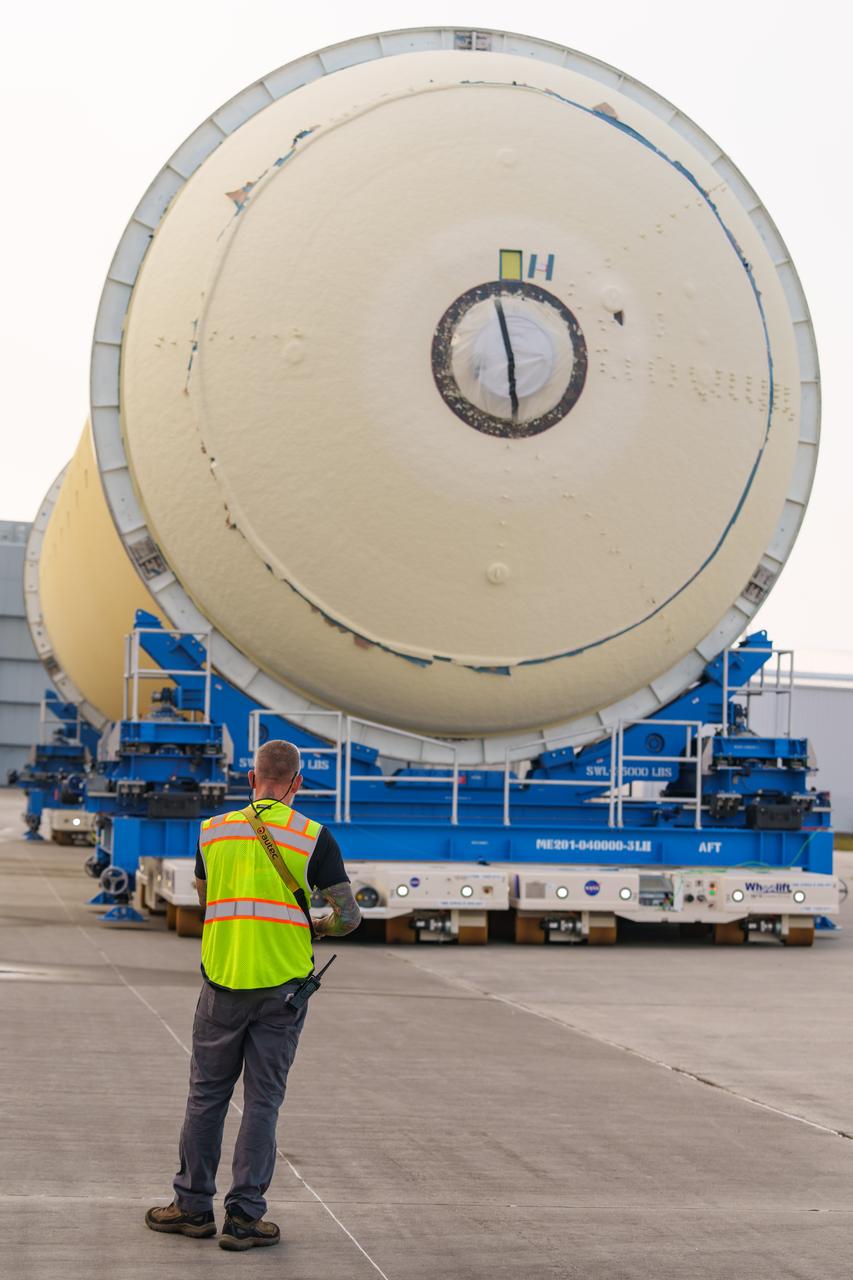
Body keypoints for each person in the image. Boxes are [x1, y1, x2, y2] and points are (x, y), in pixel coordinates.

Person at [146, 739, 361, 1251]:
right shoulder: (314, 838)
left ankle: (192, 1207)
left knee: (205, 1098)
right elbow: (348, 917)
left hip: (222, 982)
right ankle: (244, 1217)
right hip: (283, 991)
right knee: (262, 1103)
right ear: (297, 783)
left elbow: (205, 895)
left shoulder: (213, 832)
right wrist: (314, 924)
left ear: (251, 778)